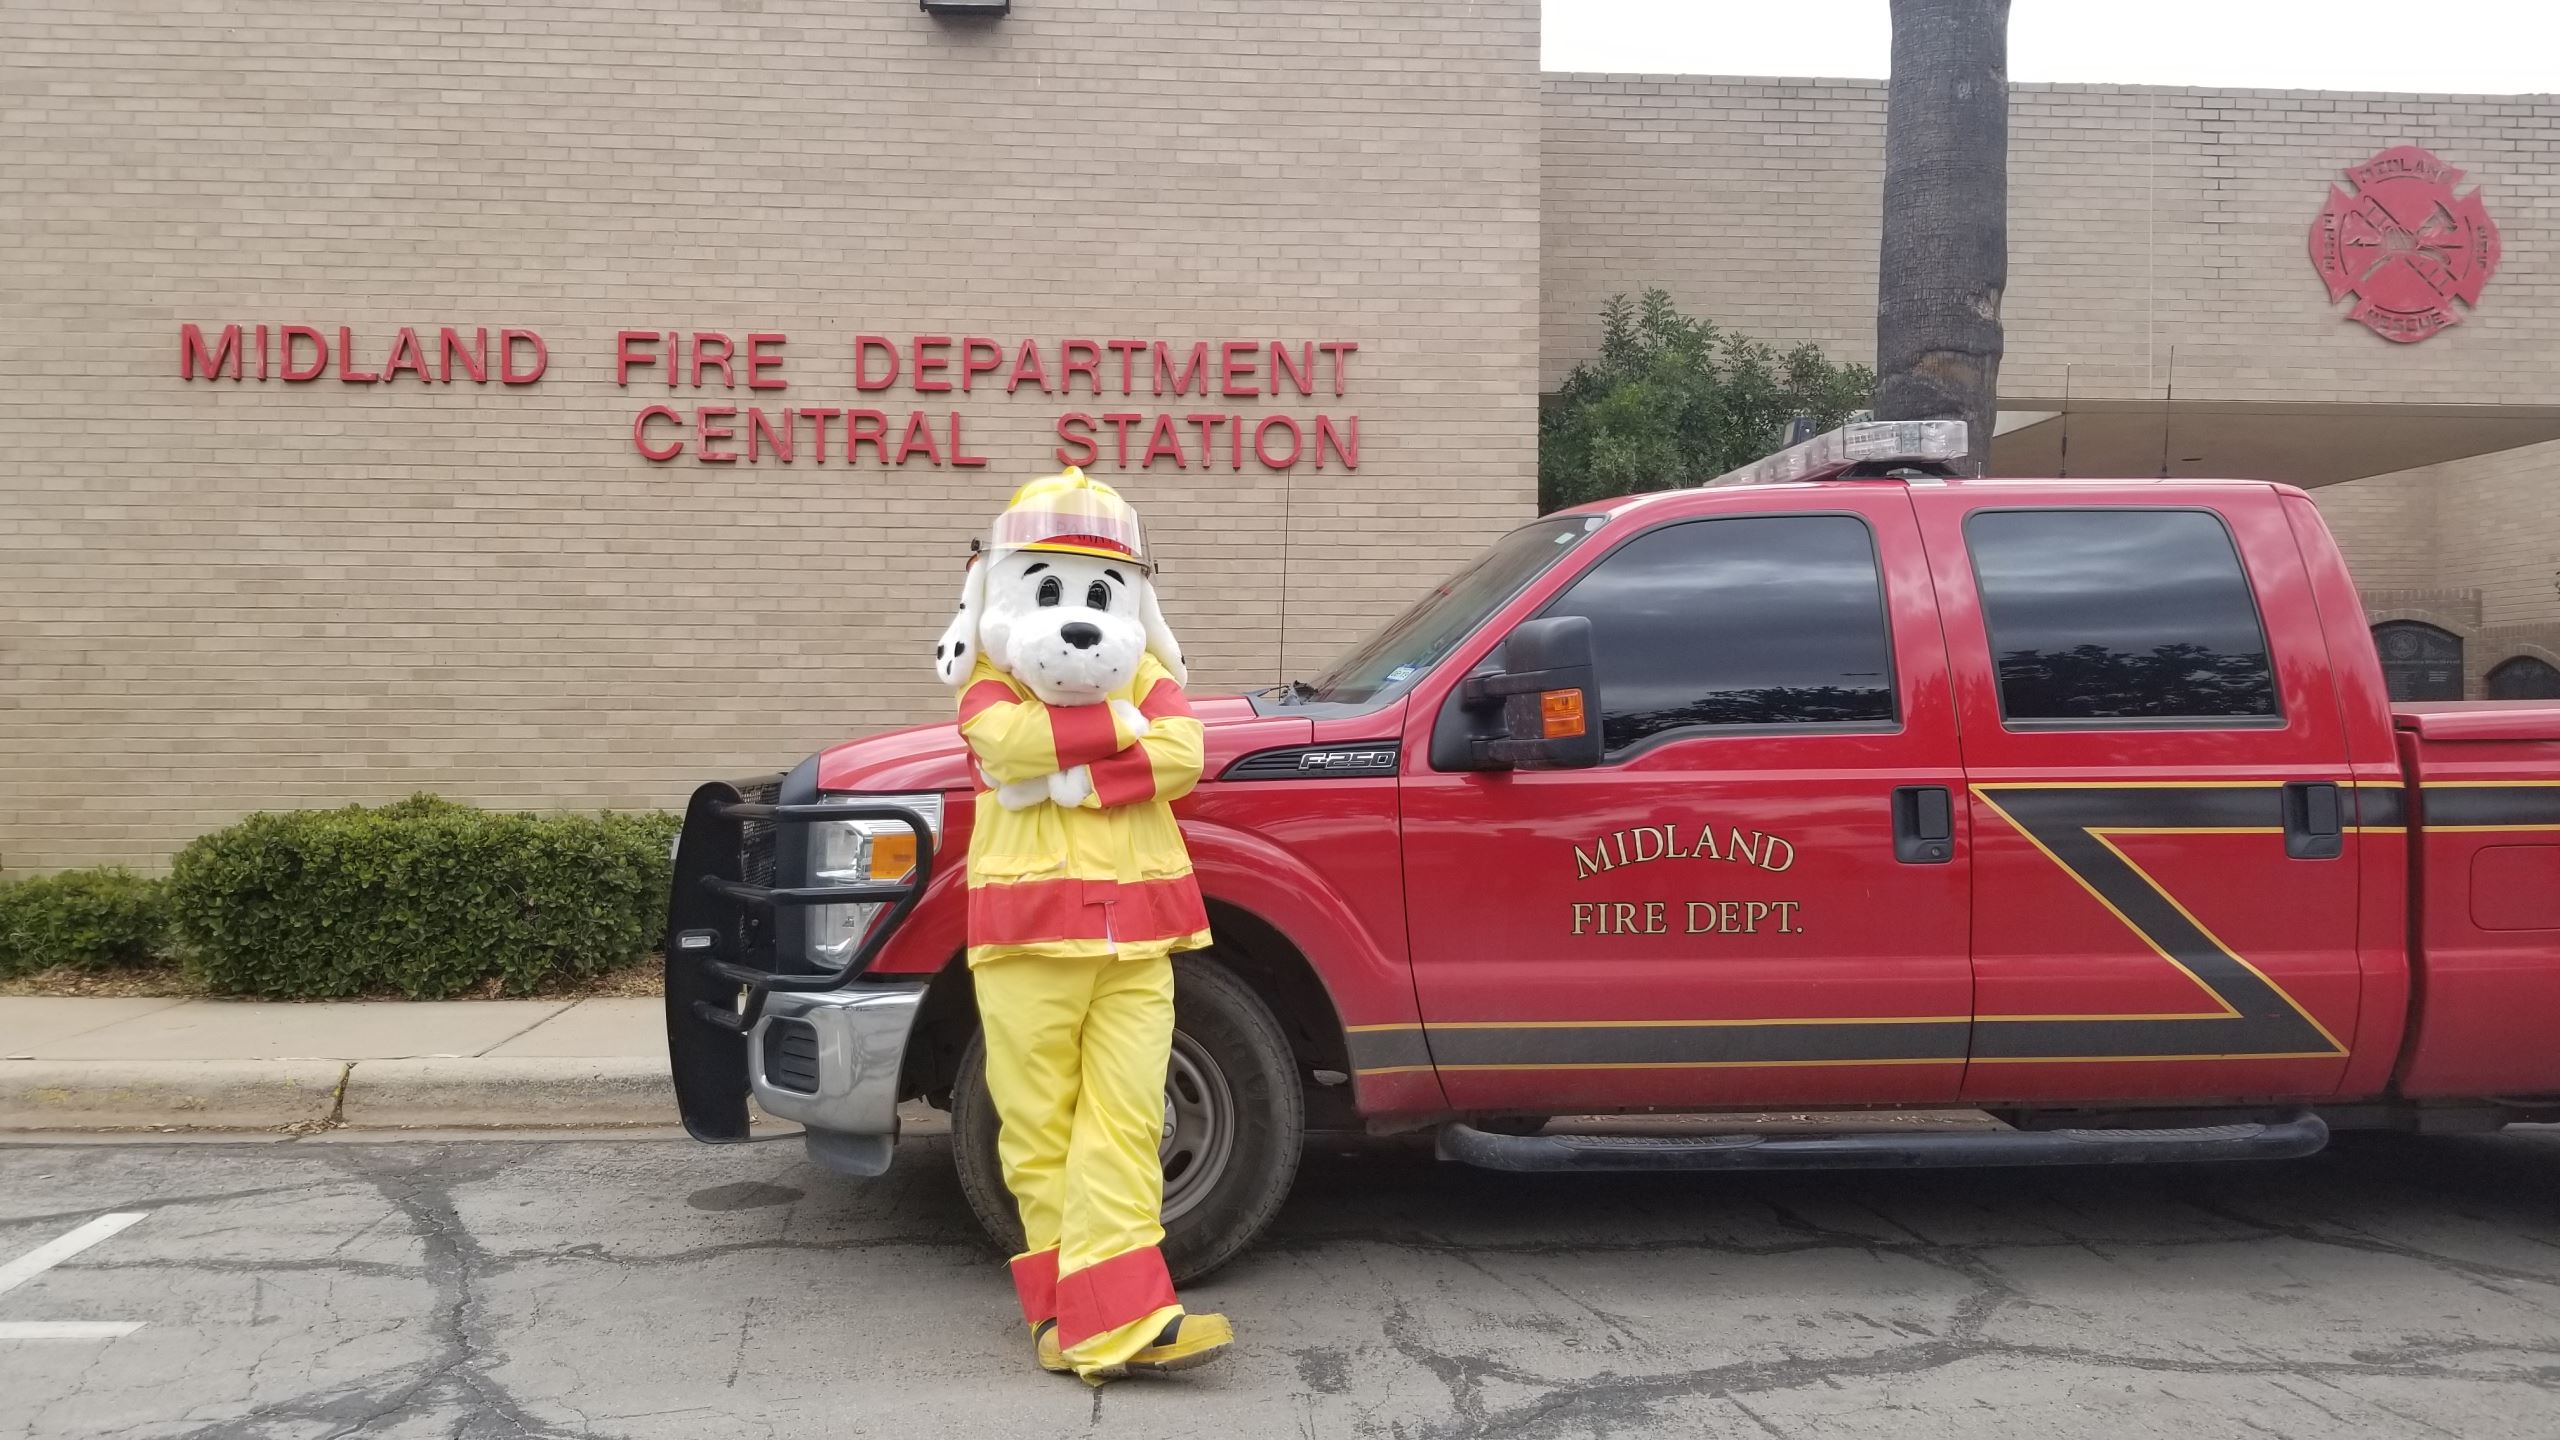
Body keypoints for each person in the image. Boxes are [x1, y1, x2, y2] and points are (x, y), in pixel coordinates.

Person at [931, 468, 1234, 1384]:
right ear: (1003, 585)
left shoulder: (1146, 665)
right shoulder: (987, 678)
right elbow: (1002, 746)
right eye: (1049, 585)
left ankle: (1120, 1321)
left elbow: (1185, 752)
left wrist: (1081, 779)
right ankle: (1070, 1322)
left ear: (1134, 595)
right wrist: (1120, 726)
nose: (1076, 617)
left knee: (1130, 1122)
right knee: (1038, 1133)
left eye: (1100, 589)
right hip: (1027, 941)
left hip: (1141, 939)